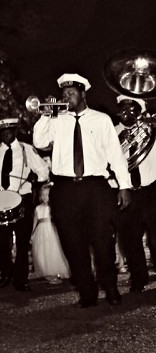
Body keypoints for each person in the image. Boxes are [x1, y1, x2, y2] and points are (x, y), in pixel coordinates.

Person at [32, 73, 132, 307]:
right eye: (63, 93)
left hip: (95, 187)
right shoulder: (56, 120)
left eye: (71, 93)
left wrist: (124, 186)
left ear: (83, 93)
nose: (66, 96)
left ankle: (110, 286)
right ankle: (87, 292)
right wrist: (46, 115)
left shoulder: (101, 120)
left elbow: (116, 157)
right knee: (72, 243)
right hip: (65, 189)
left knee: (102, 241)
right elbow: (38, 142)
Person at [0, 117, 50, 292]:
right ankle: (7, 273)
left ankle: (21, 279)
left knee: (22, 242)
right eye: (3, 132)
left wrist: (35, 177)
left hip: (22, 199)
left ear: (14, 131)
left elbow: (43, 170)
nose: (6, 135)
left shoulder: (27, 149)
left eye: (9, 131)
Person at [113, 95, 156, 293]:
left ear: (140, 111)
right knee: (130, 239)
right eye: (123, 108)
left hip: (152, 189)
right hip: (126, 191)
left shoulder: (152, 130)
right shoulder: (112, 133)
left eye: (132, 108)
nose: (127, 112)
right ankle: (139, 278)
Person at [31, 183, 70, 283]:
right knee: (43, 252)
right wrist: (32, 233)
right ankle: (48, 273)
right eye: (43, 195)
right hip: (41, 231)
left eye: (47, 195)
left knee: (54, 250)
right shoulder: (38, 208)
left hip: (51, 230)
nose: (44, 197)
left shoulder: (54, 207)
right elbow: (35, 221)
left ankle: (58, 271)